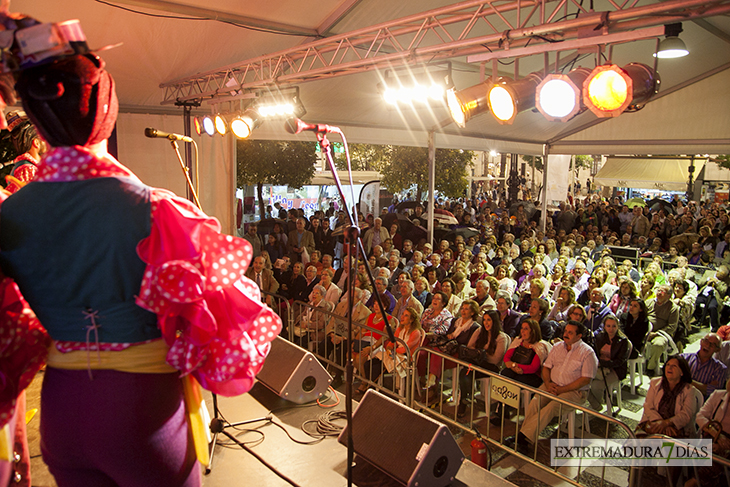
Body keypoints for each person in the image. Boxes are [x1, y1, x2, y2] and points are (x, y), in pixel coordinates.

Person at [0, 27, 281, 486]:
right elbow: (226, 327)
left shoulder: (9, 214)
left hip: (62, 408)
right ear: (104, 108)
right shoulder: (158, 210)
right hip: (144, 411)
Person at [509, 321, 598, 448]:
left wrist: (563, 389)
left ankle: (522, 438)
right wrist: (548, 383)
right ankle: (524, 437)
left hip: (574, 391)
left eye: (570, 332)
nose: (566, 334)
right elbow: (546, 368)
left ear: (579, 336)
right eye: (566, 331)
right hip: (551, 384)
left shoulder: (587, 353)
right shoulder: (557, 347)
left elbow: (585, 380)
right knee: (535, 402)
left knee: (550, 408)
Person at [456, 309, 510, 417]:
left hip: (490, 367)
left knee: (467, 369)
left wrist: (480, 354)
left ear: (494, 321)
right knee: (466, 371)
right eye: (484, 320)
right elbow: (470, 347)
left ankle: (464, 400)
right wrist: (478, 354)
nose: (486, 323)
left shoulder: (501, 337)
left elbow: (495, 359)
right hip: (475, 364)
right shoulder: (480, 331)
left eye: (489, 320)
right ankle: (465, 399)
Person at [357, 307, 423, 394]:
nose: (402, 317)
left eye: (406, 316)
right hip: (394, 353)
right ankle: (369, 386)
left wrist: (394, 351)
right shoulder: (400, 329)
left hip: (405, 357)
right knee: (368, 364)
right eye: (403, 314)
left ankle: (370, 388)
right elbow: (392, 342)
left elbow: (405, 348)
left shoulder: (416, 332)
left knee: (376, 367)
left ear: (411, 320)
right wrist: (389, 348)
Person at [638, 355, 699, 440]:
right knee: (637, 445)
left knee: (668, 448)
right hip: (654, 423)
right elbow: (648, 406)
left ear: (682, 372)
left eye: (674, 366)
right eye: (668, 365)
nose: (669, 368)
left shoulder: (689, 390)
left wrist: (667, 423)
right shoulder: (655, 383)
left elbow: (686, 414)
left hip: (677, 428)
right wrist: (660, 423)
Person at [588, 315, 631, 413]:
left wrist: (603, 364)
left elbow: (620, 361)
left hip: (615, 369)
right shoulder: (600, 337)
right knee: (583, 381)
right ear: (604, 327)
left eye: (614, 326)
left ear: (617, 327)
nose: (611, 329)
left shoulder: (622, 341)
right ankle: (596, 405)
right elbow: (594, 353)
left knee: (596, 385)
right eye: (608, 326)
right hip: (600, 367)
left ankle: (596, 408)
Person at [645, 284, 680, 376]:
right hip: (646, 330)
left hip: (661, 334)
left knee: (658, 344)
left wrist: (655, 334)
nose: (659, 293)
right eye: (658, 290)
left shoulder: (673, 308)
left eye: (662, 291)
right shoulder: (649, 302)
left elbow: (672, 327)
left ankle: (650, 367)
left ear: (669, 295)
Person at [680, 333, 727, 399]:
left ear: (718, 350)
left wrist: (686, 380)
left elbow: (713, 393)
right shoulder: (683, 358)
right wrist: (704, 386)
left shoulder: (720, 369)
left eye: (713, 344)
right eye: (706, 341)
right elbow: (672, 379)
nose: (708, 345)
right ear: (701, 342)